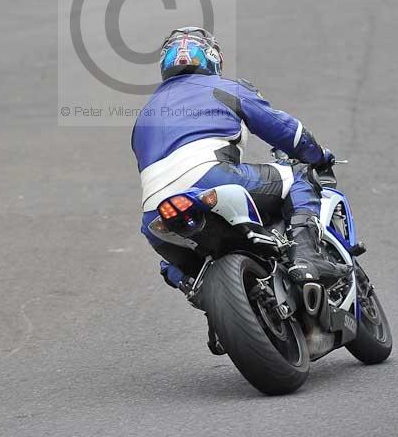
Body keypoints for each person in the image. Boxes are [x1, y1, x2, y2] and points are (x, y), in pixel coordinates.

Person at [132, 26, 349, 295]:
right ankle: (307, 259)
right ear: (213, 58)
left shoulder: (143, 117)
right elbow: (287, 133)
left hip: (156, 213)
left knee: (174, 268)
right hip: (212, 180)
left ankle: (204, 301)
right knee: (299, 175)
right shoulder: (224, 88)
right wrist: (318, 156)